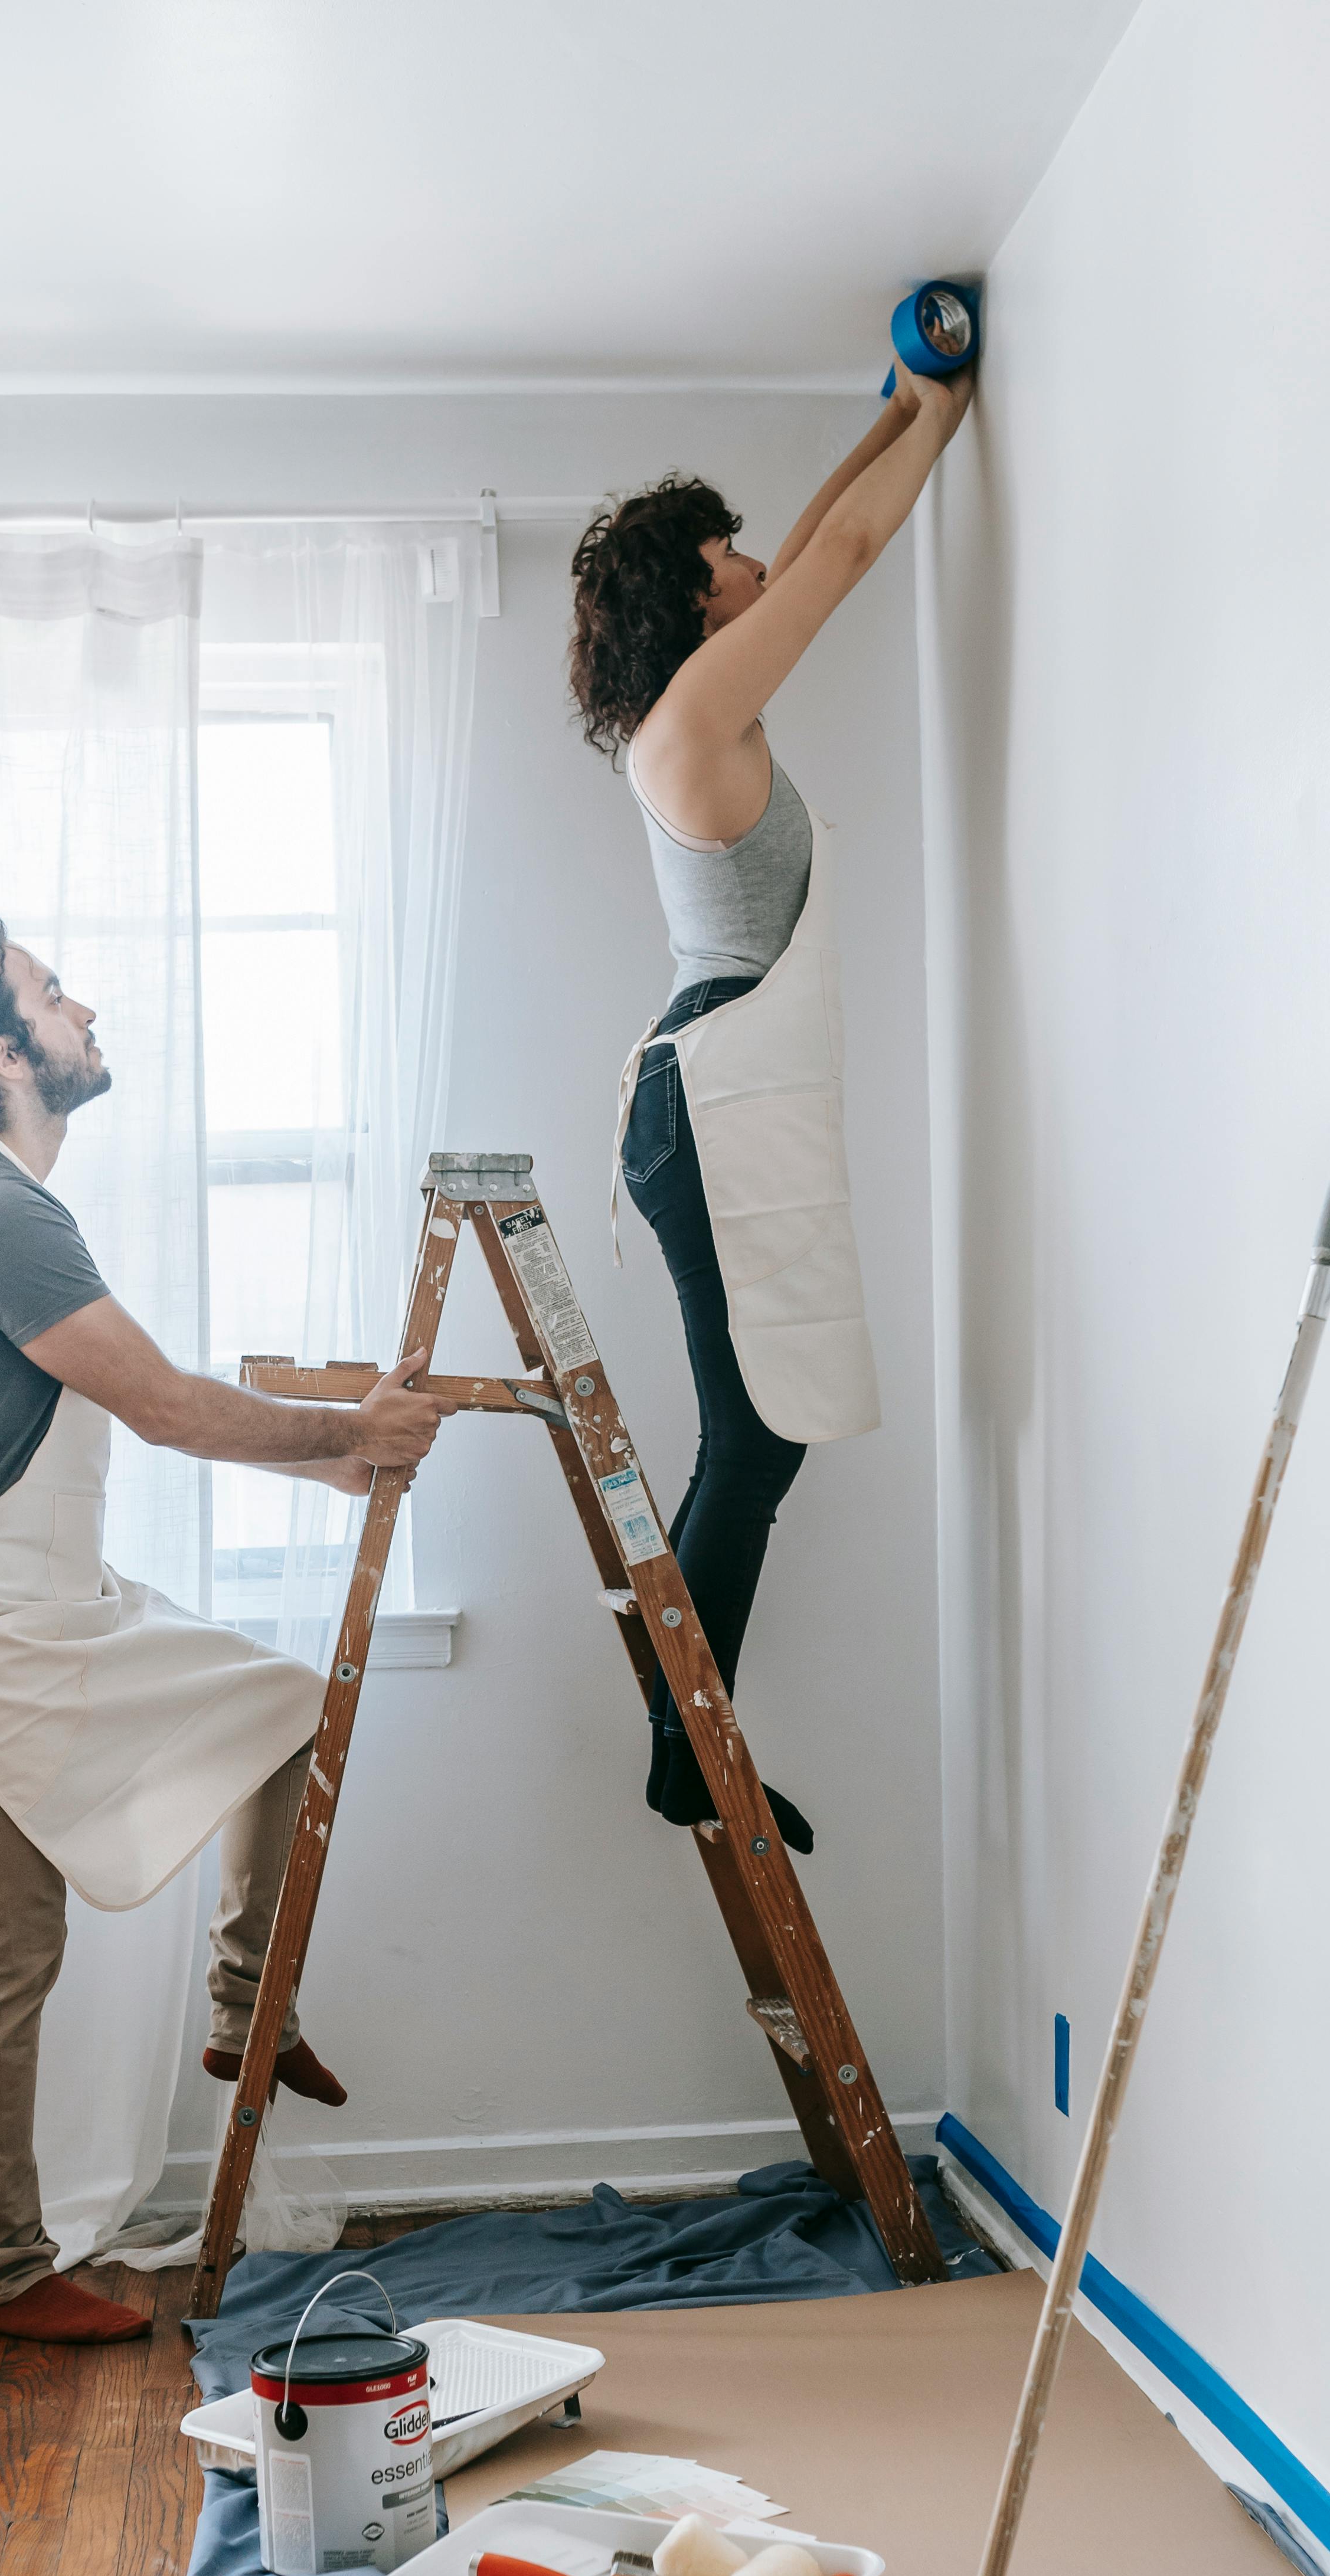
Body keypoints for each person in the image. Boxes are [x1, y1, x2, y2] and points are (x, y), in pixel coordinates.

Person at [0, 917, 437, 2344]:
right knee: (6, 1946)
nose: (82, 1009)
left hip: (12, 1600)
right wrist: (347, 1431)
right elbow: (163, 1404)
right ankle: (2, 2268)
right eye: (54, 997)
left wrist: (330, 1457)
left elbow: (123, 1405)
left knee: (277, 1708)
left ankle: (242, 2004)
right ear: (3, 1054)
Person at [568, 362, 973, 1854]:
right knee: (750, 1446)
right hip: (704, 1107)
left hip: (709, 1100)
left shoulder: (697, 714)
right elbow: (845, 560)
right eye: (720, 558)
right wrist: (933, 423)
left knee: (753, 1443)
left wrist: (900, 408)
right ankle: (686, 1742)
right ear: (692, 605)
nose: (751, 567)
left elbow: (812, 546)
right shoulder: (689, 723)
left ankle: (686, 1731)